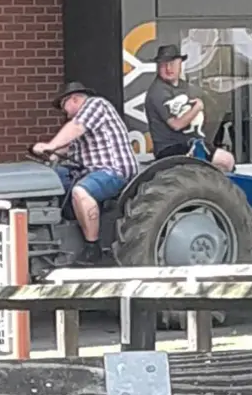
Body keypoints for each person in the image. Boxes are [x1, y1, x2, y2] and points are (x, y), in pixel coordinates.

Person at [32, 81, 139, 265]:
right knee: (55, 177)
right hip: (90, 172)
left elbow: (75, 127)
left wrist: (50, 145)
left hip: (113, 171)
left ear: (74, 99)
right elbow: (67, 148)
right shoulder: (83, 130)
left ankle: (92, 247)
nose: (64, 112)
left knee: (81, 192)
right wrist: (49, 155)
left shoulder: (96, 105)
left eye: (63, 105)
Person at [144, 44, 235, 172]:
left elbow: (211, 108)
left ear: (180, 64)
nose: (168, 68)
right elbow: (176, 124)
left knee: (224, 164)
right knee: (226, 160)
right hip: (172, 149)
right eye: (164, 64)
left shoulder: (185, 87)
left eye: (172, 63)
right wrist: (197, 107)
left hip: (194, 143)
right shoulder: (158, 92)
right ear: (158, 67)